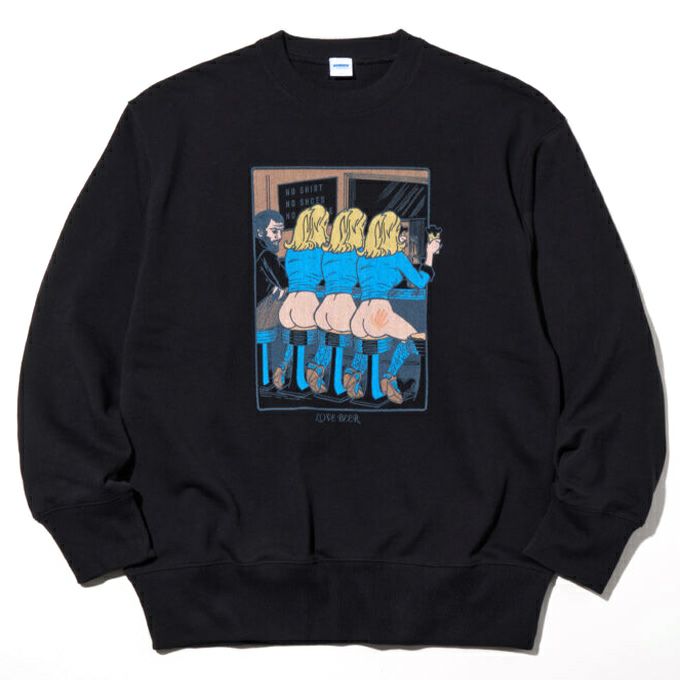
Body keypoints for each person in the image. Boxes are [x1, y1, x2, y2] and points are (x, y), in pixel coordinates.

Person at [347, 210, 441, 403]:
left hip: (359, 316)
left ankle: (354, 372)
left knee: (368, 341)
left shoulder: (362, 256)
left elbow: (378, 276)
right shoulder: (396, 256)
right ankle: (389, 377)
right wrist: (430, 254)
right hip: (379, 313)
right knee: (417, 339)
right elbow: (420, 281)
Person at [305, 208, 367, 393]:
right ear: (354, 230)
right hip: (343, 308)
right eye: (361, 227)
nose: (363, 232)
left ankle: (316, 368)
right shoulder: (358, 254)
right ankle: (354, 373)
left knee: (328, 339)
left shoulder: (327, 253)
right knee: (368, 336)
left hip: (323, 311)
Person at [273, 203, 329, 389]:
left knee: (296, 336)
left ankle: (283, 366)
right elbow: (326, 276)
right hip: (306, 305)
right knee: (331, 332)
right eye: (324, 224)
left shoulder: (292, 250)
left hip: (287, 309)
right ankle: (315, 369)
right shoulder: (320, 250)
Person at [253, 209, 288, 330]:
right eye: (274, 231)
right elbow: (285, 282)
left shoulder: (255, 248)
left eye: (281, 231)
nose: (279, 237)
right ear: (260, 232)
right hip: (259, 316)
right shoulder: (266, 255)